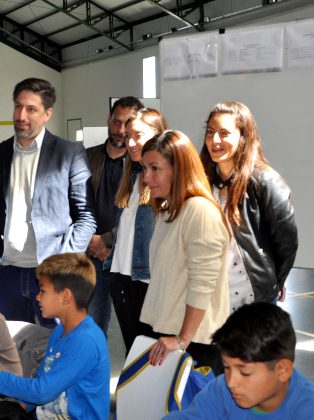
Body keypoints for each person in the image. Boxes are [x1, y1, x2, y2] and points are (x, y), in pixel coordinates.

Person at [0, 78, 95, 327]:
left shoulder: (69, 153)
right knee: (15, 347)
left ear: (47, 113)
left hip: (52, 273)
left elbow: (85, 215)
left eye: (31, 109)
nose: (21, 115)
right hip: (5, 272)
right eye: (18, 107)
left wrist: (65, 259)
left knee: (55, 346)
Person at [0, 253, 110, 419]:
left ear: (66, 296)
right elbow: (43, 376)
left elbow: (42, 392)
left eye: (42, 290)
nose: (37, 297)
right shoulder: (61, 330)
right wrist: (23, 404)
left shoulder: (85, 340)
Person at [140, 130, 229, 374]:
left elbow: (202, 283)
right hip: (172, 336)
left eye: (154, 168)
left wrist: (182, 339)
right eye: (144, 168)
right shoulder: (169, 210)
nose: (146, 177)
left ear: (178, 168)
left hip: (195, 343)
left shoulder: (199, 211)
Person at [200, 102, 298, 310]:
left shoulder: (266, 182)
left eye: (224, 133)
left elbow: (286, 241)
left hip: (252, 299)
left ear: (243, 137)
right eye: (210, 132)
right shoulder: (202, 182)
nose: (215, 140)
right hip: (211, 299)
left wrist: (273, 281)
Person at [165, 302, 314, 419]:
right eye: (226, 367)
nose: (231, 382)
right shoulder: (222, 390)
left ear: (282, 370)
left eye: (245, 372)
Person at [105, 108, 167, 354]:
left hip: (149, 282)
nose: (130, 142)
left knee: (153, 355)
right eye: (128, 135)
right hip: (121, 278)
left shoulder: (167, 181)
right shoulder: (130, 175)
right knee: (135, 352)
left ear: (158, 135)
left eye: (138, 135)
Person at [85, 96, 144, 334]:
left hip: (127, 259)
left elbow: (139, 216)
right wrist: (91, 240)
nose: (120, 131)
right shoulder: (87, 157)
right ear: (108, 120)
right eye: (116, 123)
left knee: (136, 329)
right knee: (91, 325)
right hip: (91, 257)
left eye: (127, 125)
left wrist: (107, 241)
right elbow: (74, 203)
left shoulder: (142, 164)